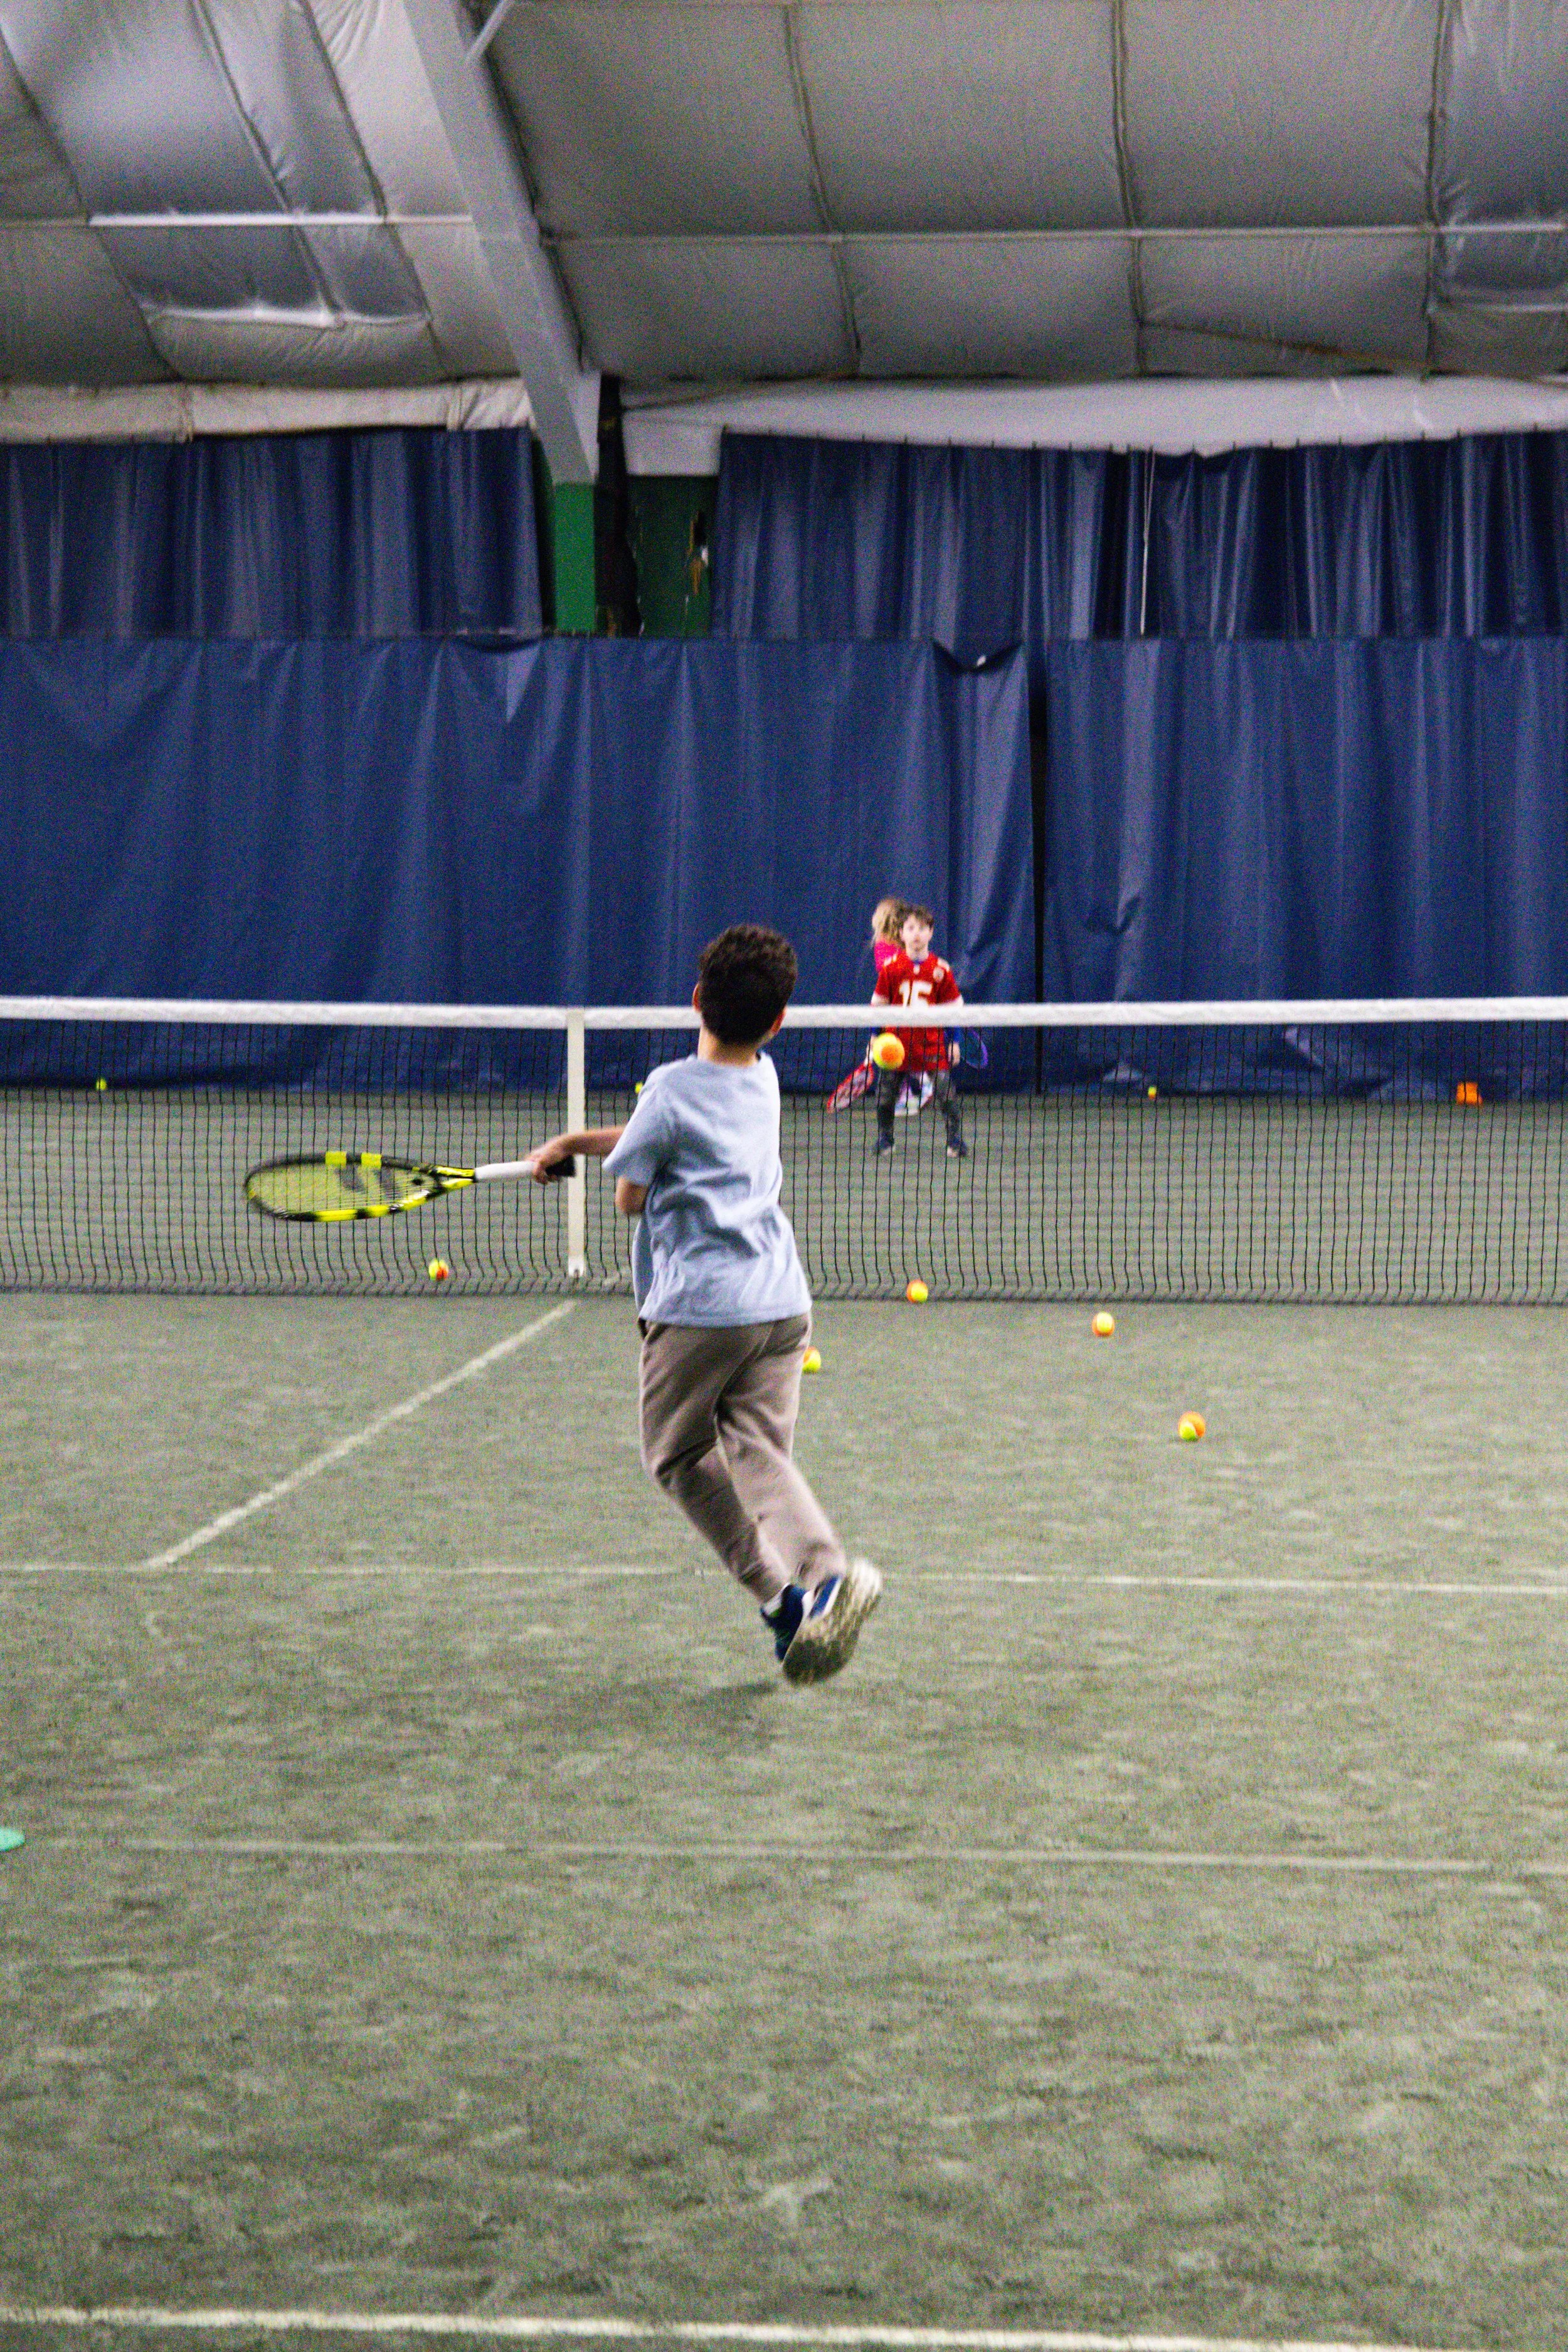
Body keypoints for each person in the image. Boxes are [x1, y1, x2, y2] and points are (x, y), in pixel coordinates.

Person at [530, 923, 882, 1685]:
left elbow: (631, 1195)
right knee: (757, 1450)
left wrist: (599, 1163)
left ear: (696, 999)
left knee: (680, 1456)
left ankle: (779, 1600)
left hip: (701, 1314)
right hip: (782, 1306)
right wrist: (575, 1143)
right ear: (777, 1021)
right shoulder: (763, 1079)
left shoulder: (669, 1088)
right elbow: (662, 1137)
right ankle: (824, 1575)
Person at [869, 902, 968, 1159]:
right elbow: (878, 1008)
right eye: (911, 928)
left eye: (922, 928)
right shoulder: (890, 969)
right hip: (896, 1046)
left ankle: (955, 1140)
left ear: (931, 933)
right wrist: (874, 1039)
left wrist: (954, 1041)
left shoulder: (941, 970)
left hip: (932, 1044)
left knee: (947, 1094)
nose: (916, 934)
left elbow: (953, 1010)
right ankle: (885, 1137)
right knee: (885, 1096)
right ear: (901, 933)